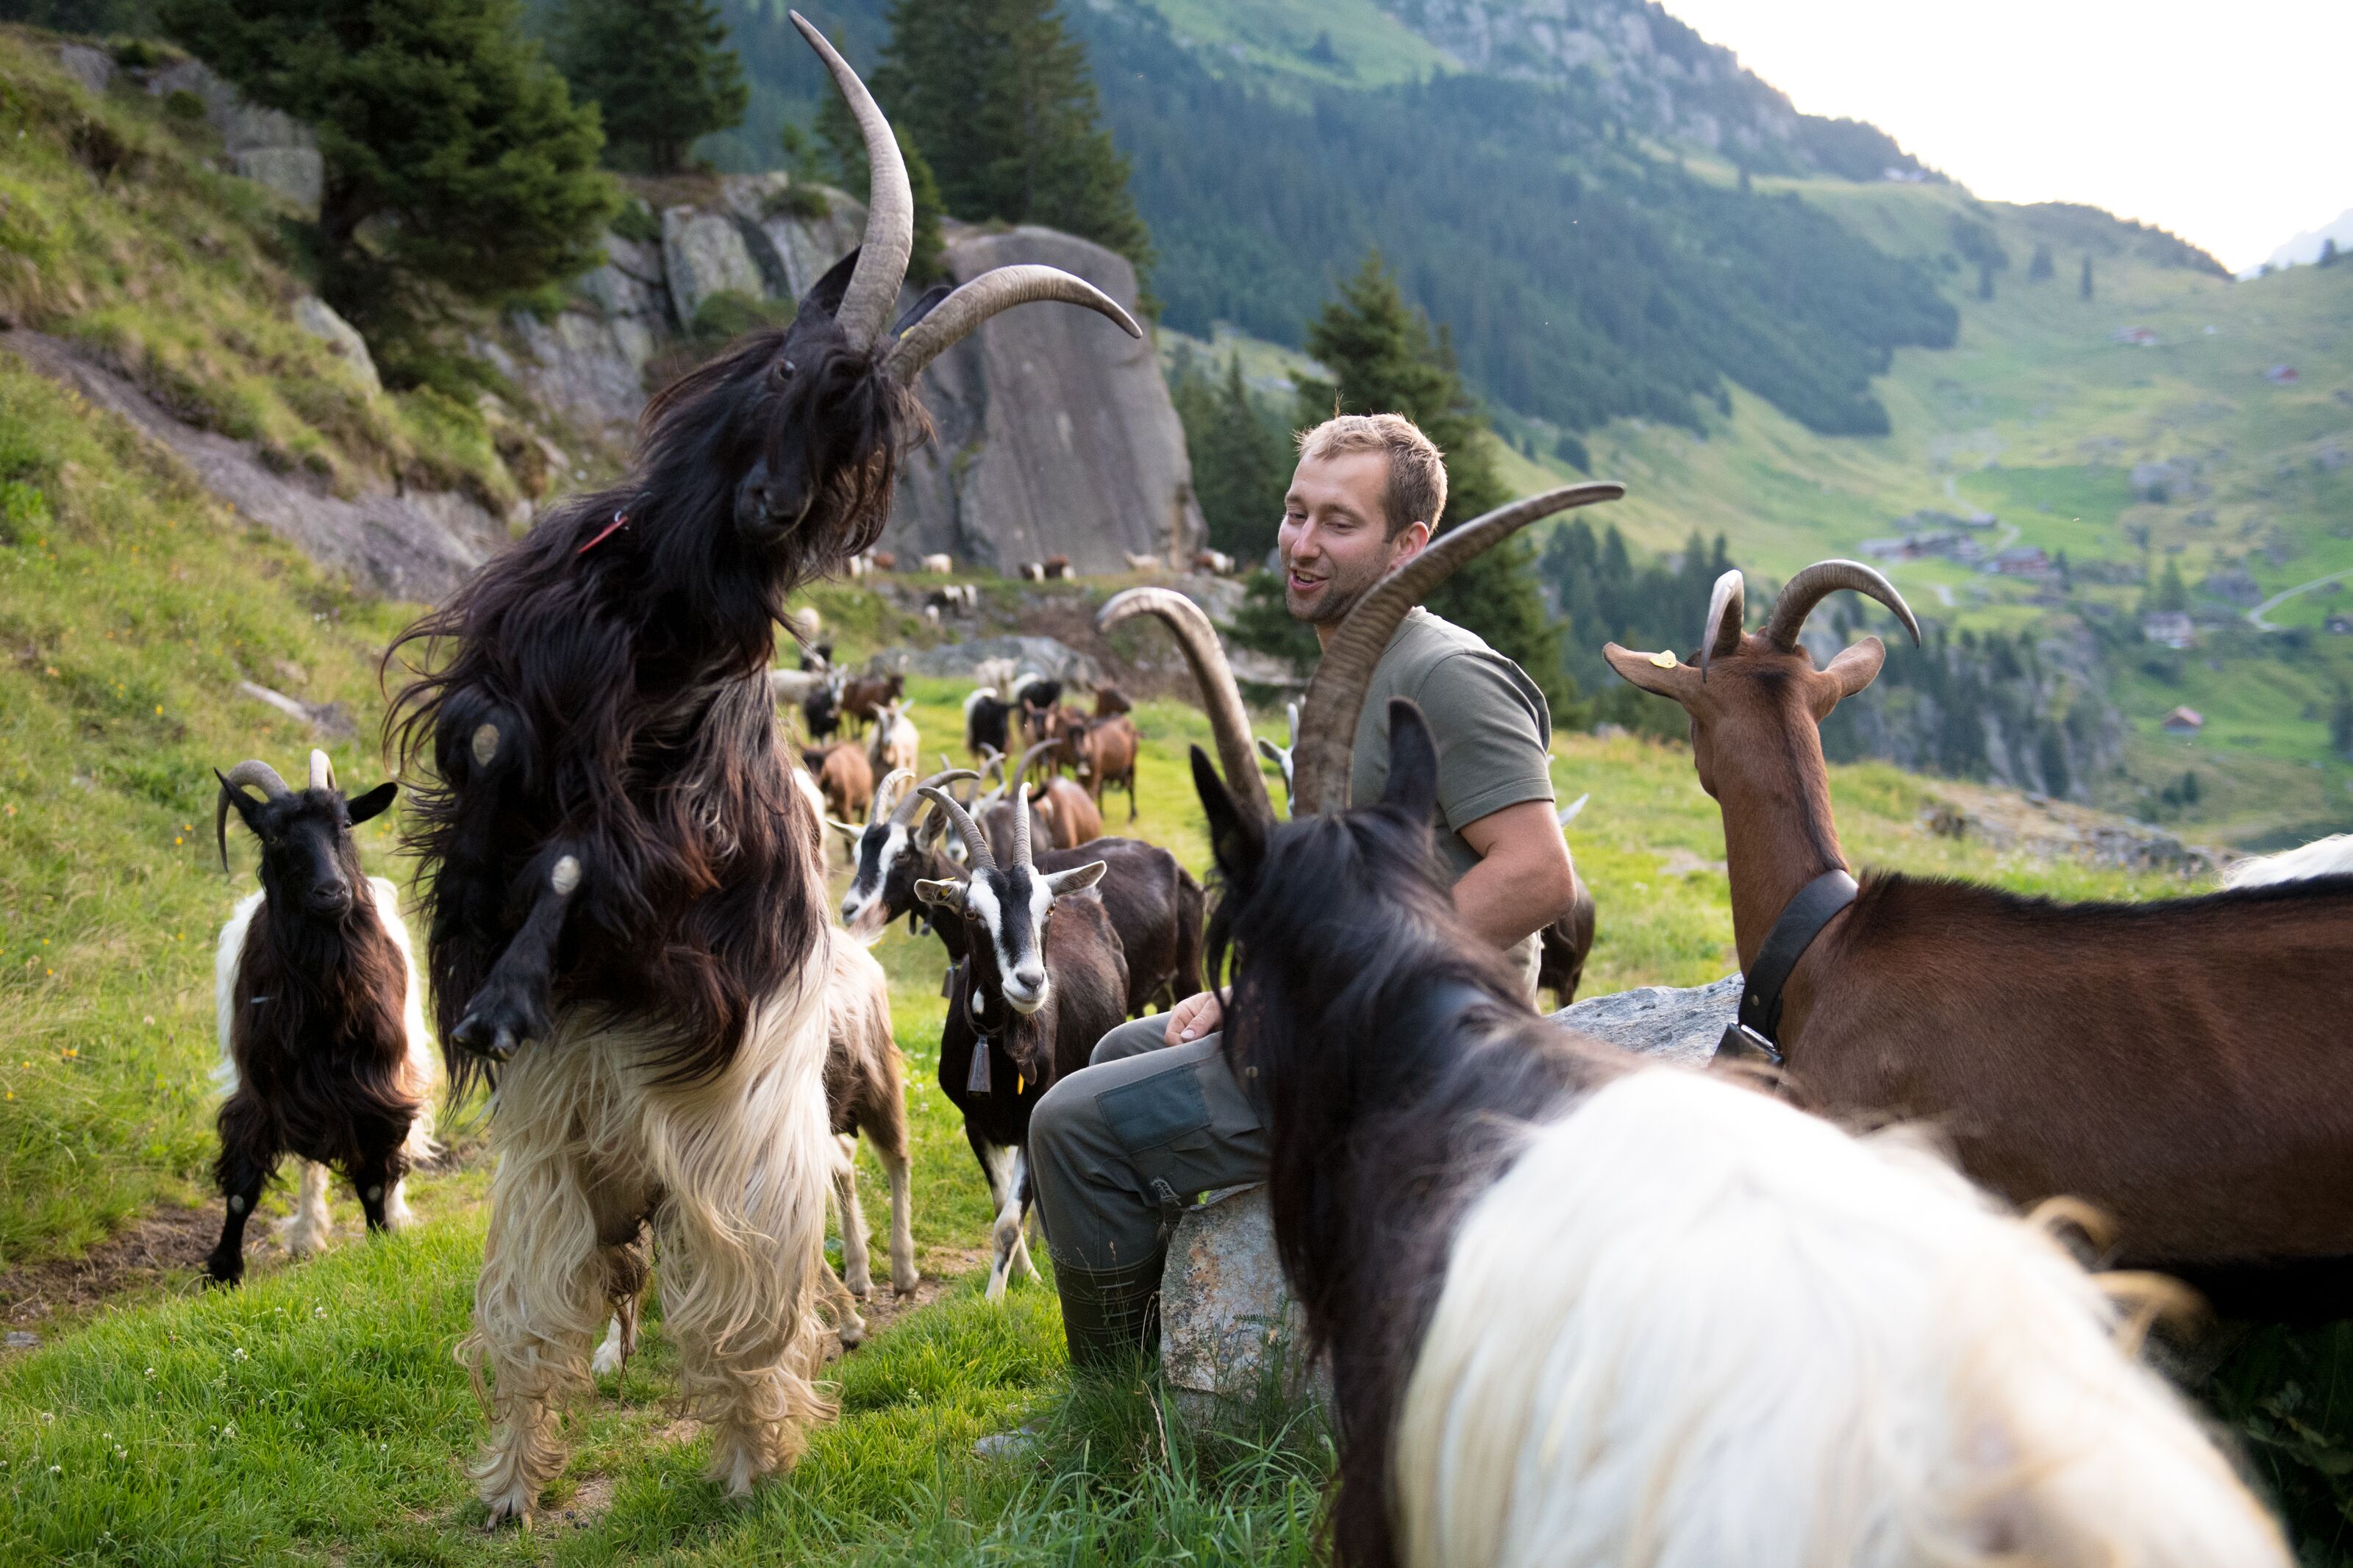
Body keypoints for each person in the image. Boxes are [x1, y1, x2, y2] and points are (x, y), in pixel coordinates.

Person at [1027, 412, 1582, 1370]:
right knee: (1119, 1043)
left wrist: (1321, 984)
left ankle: (1109, 1424)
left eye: (1338, 523)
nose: (1300, 543)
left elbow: (1538, 874)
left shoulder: (1447, 675)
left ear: (1410, 545)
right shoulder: (1353, 665)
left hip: (1426, 1051)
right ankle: (1180, 1360)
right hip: (1346, 1020)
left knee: (1067, 1126)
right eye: (1295, 514)